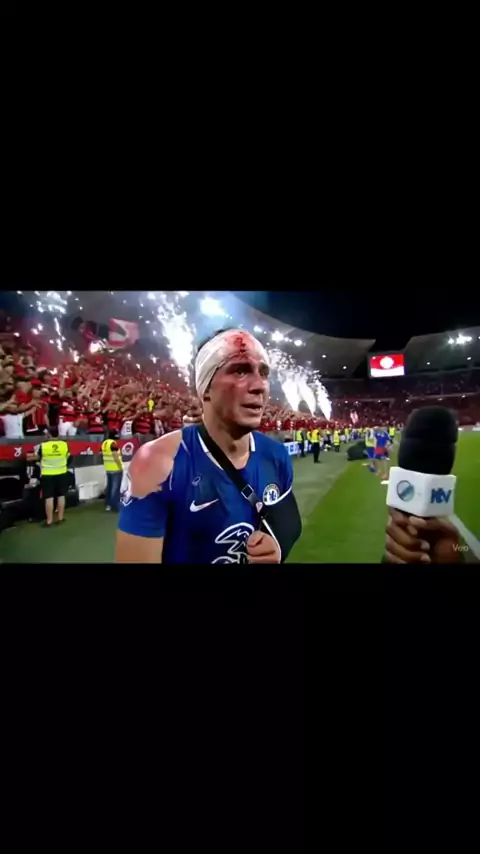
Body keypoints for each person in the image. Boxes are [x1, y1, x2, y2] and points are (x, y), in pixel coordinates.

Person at [116, 328, 302, 564]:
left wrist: (277, 545)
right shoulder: (157, 464)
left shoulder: (276, 455)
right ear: (205, 388)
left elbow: (288, 521)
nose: (260, 386)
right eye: (240, 371)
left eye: (264, 373)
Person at [28, 428, 70, 527]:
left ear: (49, 435)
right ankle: (60, 518)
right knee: (61, 496)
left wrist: (30, 457)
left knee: (49, 497)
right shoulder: (64, 445)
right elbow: (67, 456)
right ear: (58, 434)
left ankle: (49, 521)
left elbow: (37, 457)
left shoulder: (43, 446)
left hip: (48, 474)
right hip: (62, 472)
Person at [102, 430, 124, 512]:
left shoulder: (104, 443)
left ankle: (108, 504)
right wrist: (120, 466)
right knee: (115, 488)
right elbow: (115, 456)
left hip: (108, 468)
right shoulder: (113, 444)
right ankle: (114, 505)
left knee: (109, 487)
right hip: (115, 468)